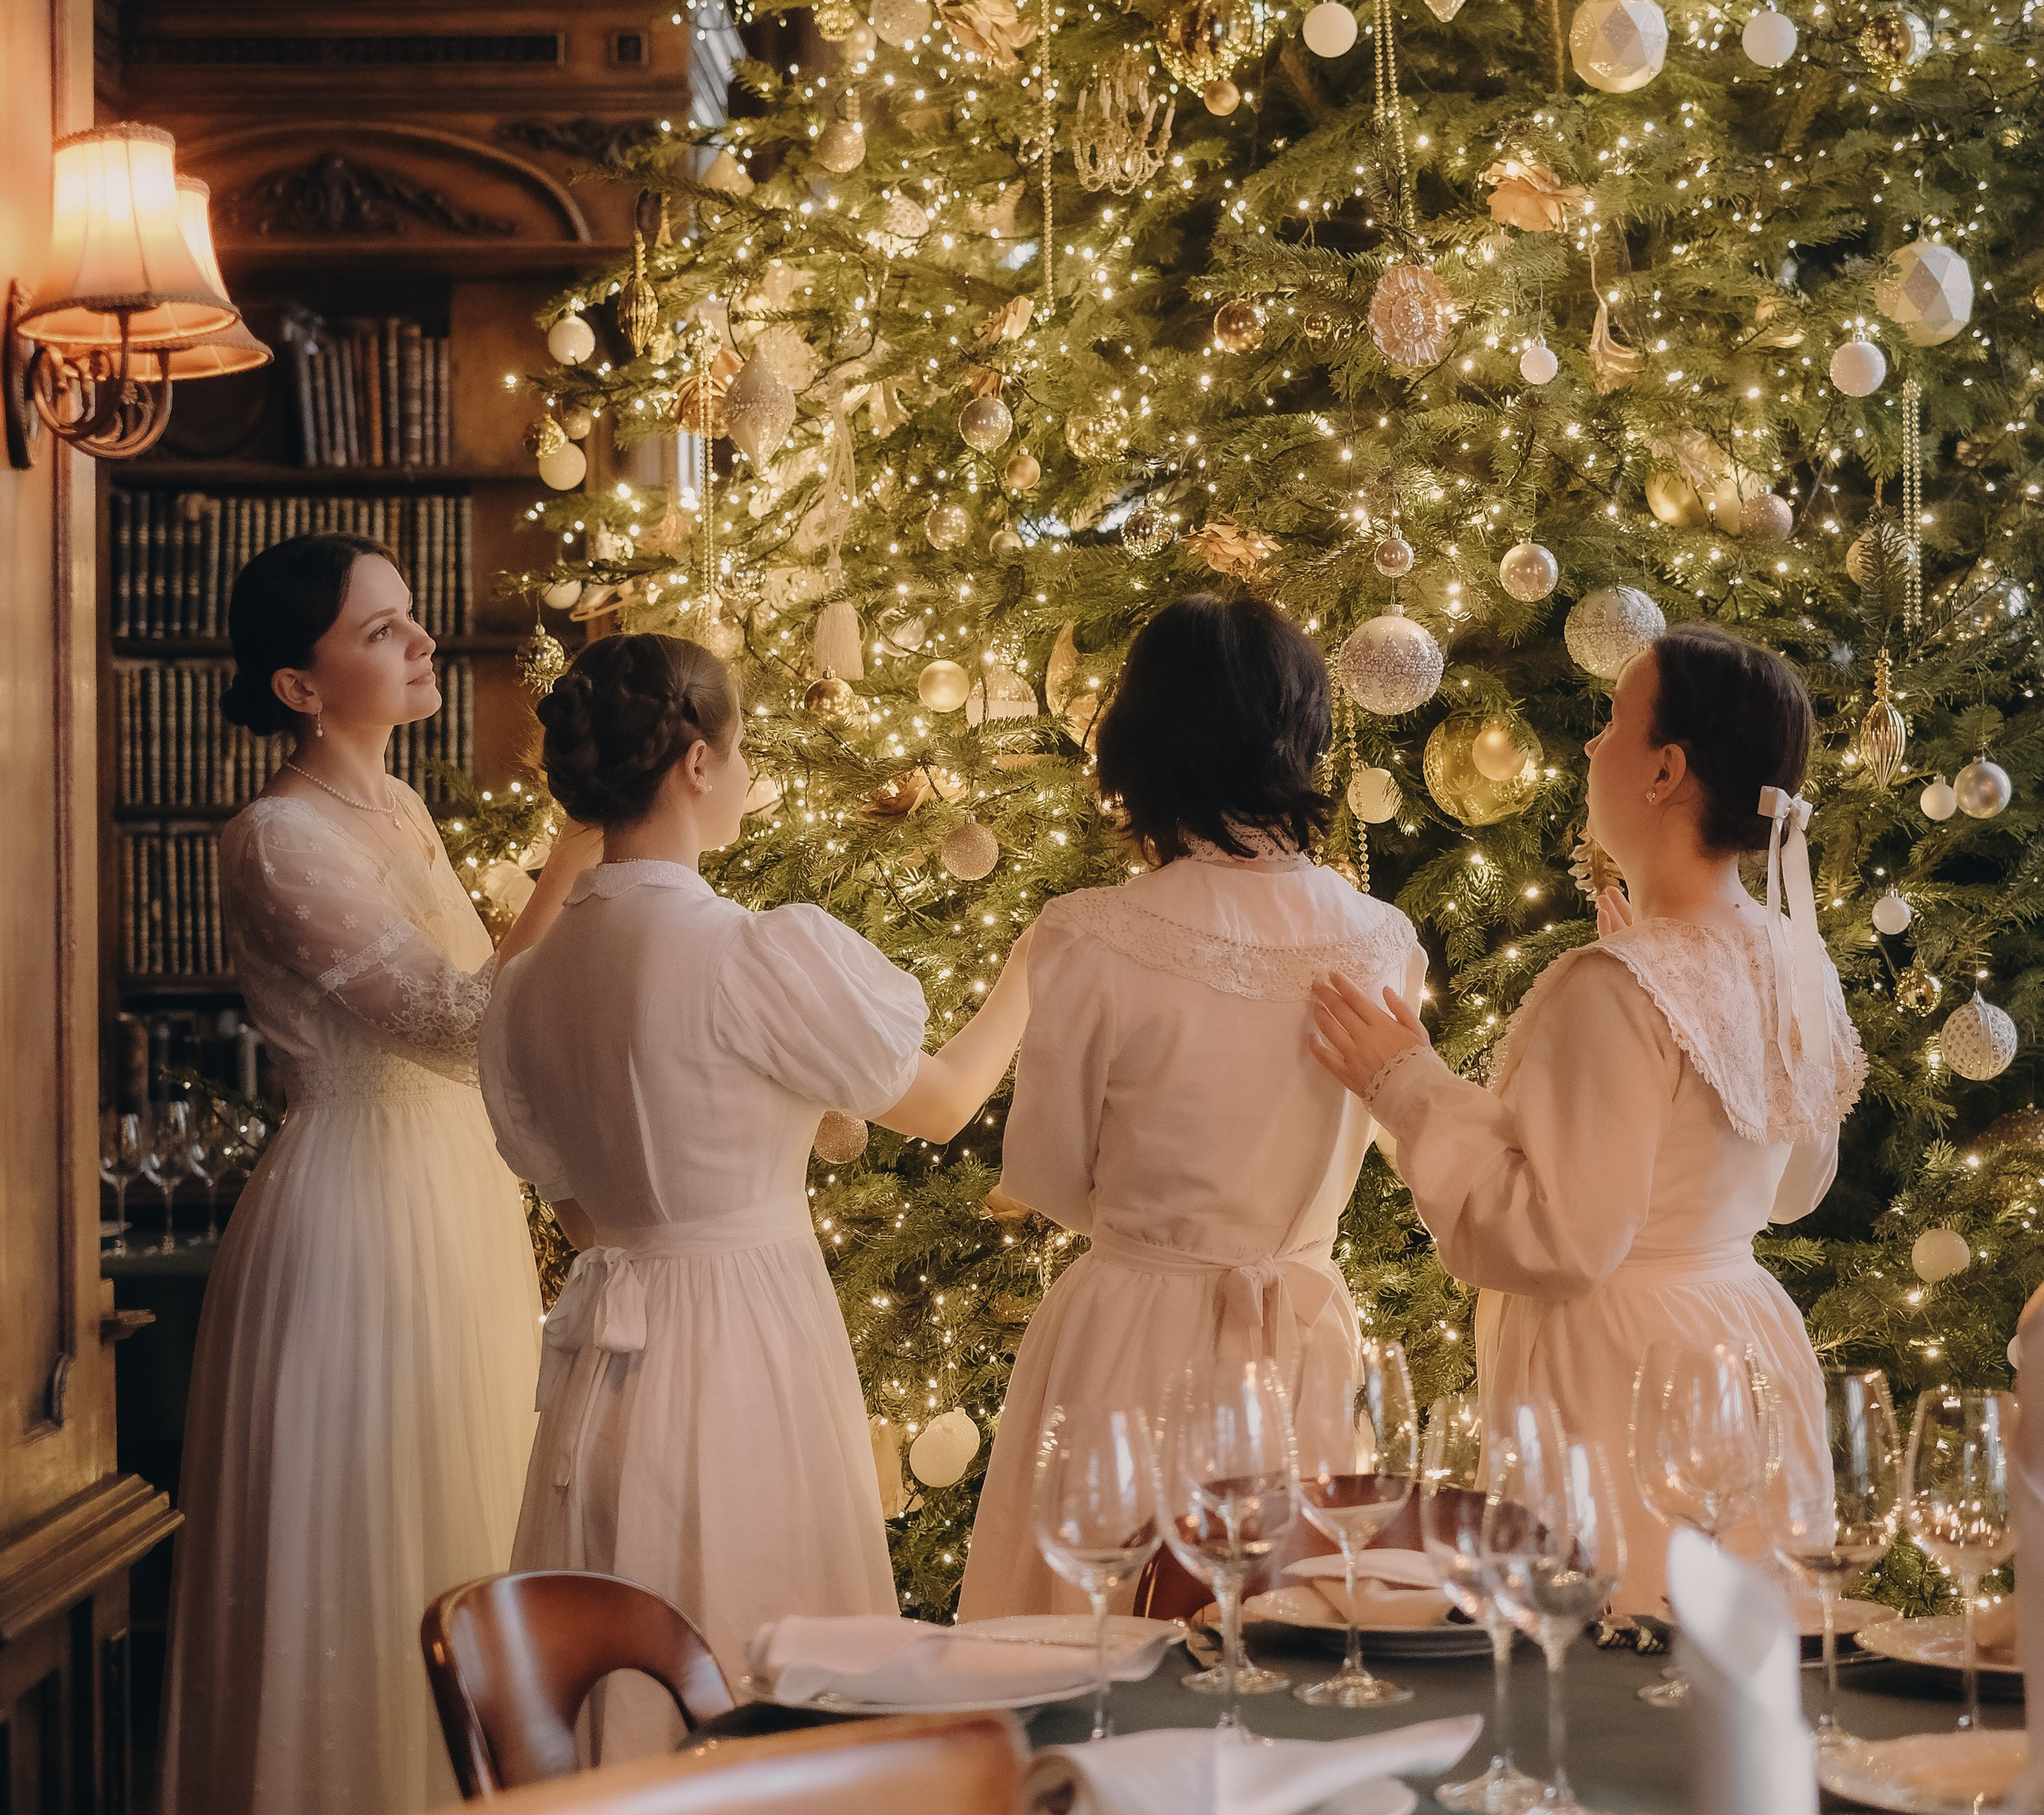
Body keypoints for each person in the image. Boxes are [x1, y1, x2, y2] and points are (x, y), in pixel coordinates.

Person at [139, 533, 593, 1815]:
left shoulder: (394, 806)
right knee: (350, 1572)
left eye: (411, 621)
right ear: (295, 682)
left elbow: (482, 1009)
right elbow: (461, 1022)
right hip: (348, 1229)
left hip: (450, 1216)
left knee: (461, 1550)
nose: (417, 645)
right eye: (378, 629)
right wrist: (580, 852)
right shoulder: (275, 832)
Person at [480, 631, 1032, 1730]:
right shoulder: (748, 954)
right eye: (739, 753)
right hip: (748, 1342)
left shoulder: (523, 986)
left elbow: (583, 1212)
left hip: (603, 1372)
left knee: (630, 1663)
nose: (745, 777)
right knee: (760, 1645)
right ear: (694, 762)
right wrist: (1030, 973)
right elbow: (939, 1104)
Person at [1309, 622, 1865, 1613]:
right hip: (1743, 1341)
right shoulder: (1791, 959)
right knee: (1735, 1655)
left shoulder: (1615, 985)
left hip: (1626, 1372)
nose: (1590, 747)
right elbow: (1791, 1188)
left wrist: (1407, 1081)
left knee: (1623, 1654)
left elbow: (1560, 1239)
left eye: (1612, 722)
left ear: (1665, 770)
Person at [958, 592, 1425, 1620]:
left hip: (1130, 1330)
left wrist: (1163, 1232)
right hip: (1299, 1331)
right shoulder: (1382, 938)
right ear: (1302, 737)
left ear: (1140, 742)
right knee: (1294, 1637)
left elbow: (1042, 1170)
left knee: (1094, 1648)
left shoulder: (1087, 936)